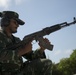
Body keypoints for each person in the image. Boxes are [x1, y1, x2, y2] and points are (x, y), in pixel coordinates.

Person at [0, 11, 52, 75]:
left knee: (46, 63)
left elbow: (32, 57)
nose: (18, 25)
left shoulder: (16, 40)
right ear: (5, 22)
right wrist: (23, 50)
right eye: (15, 22)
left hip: (20, 71)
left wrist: (41, 49)